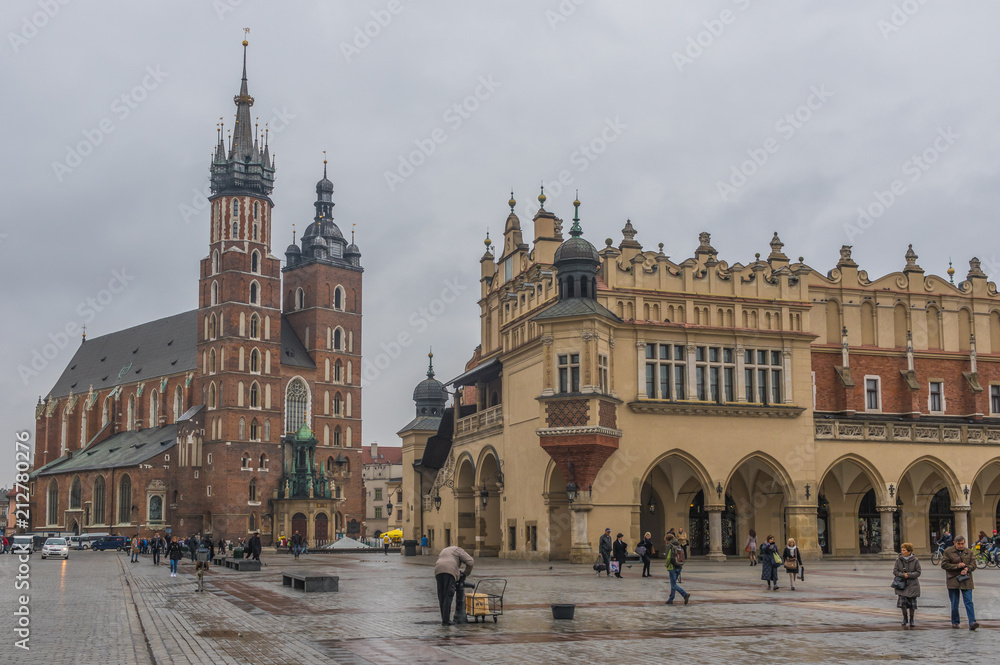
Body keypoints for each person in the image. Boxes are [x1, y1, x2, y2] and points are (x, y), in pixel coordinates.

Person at [941, 535, 979, 630]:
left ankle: (972, 622)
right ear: (954, 543)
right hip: (953, 580)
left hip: (966, 580)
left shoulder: (969, 552)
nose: (961, 546)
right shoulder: (948, 551)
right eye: (959, 544)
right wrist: (957, 566)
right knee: (954, 603)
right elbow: (944, 564)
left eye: (962, 544)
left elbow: (974, 564)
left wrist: (966, 568)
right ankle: (955, 622)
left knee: (969, 602)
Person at [434, 545, 474, 626]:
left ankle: (444, 619)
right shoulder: (459, 550)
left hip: (438, 570)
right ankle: (446, 621)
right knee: (448, 595)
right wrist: (465, 573)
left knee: (442, 596)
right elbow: (470, 561)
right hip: (449, 571)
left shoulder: (444, 550)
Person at [893, 542, 921, 629]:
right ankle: (905, 618)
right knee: (903, 603)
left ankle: (912, 619)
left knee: (912, 604)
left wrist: (909, 575)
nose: (902, 551)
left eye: (904, 550)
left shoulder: (915, 560)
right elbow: (895, 571)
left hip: (913, 585)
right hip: (902, 585)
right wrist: (902, 575)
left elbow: (918, 572)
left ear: (909, 551)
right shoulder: (898, 560)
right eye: (901, 550)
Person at [664, 533, 690, 605]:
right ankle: (671, 599)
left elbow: (668, 557)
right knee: (673, 584)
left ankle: (685, 594)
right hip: (679, 566)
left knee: (673, 585)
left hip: (672, 567)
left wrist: (666, 565)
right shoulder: (678, 544)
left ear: (667, 540)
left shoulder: (669, 546)